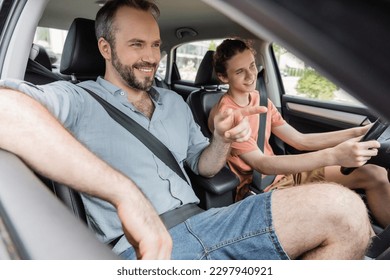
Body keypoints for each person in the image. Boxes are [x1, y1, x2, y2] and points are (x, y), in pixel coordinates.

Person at [0, 0, 373, 260]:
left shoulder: (175, 103)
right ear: (105, 48)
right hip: (144, 247)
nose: (150, 57)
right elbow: (6, 109)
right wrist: (124, 192)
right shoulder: (76, 99)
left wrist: (221, 141)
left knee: (348, 216)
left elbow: (204, 167)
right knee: (341, 211)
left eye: (155, 45)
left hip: (205, 222)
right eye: (136, 45)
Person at [208, 38, 390, 228]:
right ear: (223, 77)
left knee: (374, 173)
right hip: (261, 192)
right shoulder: (226, 115)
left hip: (286, 176)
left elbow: (300, 140)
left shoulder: (260, 100)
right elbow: (263, 164)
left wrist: (358, 132)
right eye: (239, 71)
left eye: (252, 66)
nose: (250, 75)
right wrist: (334, 156)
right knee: (338, 210)